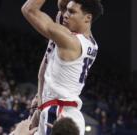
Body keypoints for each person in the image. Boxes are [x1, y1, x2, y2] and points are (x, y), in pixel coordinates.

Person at [21, 0, 103, 135]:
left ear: (88, 18)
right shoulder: (91, 43)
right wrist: (40, 97)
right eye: (66, 10)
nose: (65, 14)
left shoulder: (69, 40)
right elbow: (61, 6)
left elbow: (28, 9)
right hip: (65, 111)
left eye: (72, 12)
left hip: (57, 112)